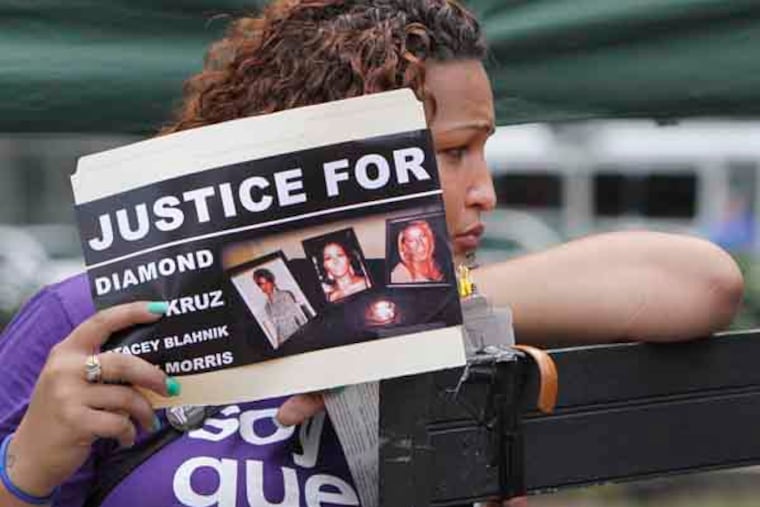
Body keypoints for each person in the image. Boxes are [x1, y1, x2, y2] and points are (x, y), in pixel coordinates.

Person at [0, 1, 745, 507]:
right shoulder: (89, 319)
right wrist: (26, 469)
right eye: (453, 153)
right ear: (340, 157)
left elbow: (700, 282)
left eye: (485, 150)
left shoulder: (442, 313)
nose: (483, 191)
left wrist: (405, 308)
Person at [252, 268, 308, 346]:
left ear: (272, 282)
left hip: (298, 337)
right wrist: (279, 343)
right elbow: (277, 328)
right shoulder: (267, 307)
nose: (265, 286)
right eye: (262, 284)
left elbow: (299, 317)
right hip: (284, 342)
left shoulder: (285, 295)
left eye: (267, 282)